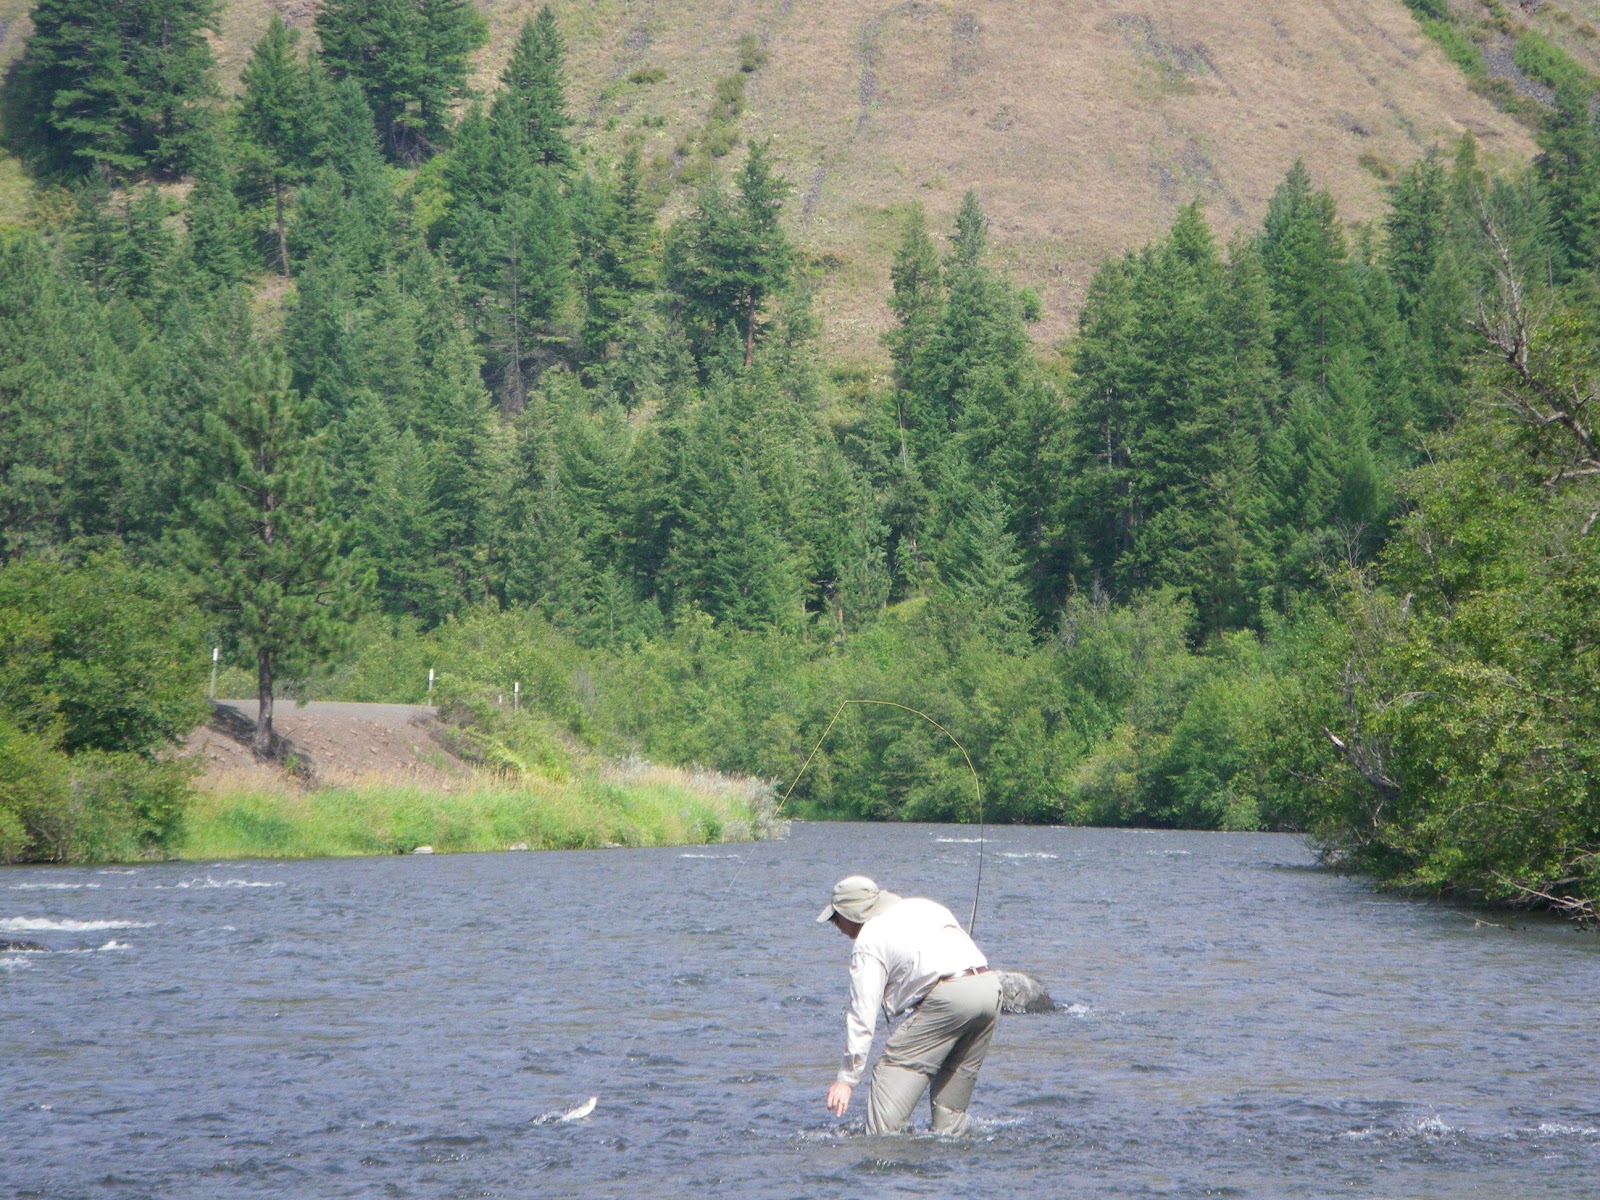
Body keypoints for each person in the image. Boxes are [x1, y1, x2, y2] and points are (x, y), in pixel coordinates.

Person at [817, 874, 1001, 1135]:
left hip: (950, 999)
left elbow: (862, 1015)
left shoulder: (868, 941)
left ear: (850, 914)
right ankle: (949, 1151)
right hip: (989, 988)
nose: (836, 925)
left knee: (891, 1070)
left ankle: (881, 1149)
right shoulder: (924, 906)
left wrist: (846, 1079)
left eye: (836, 917)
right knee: (951, 1111)